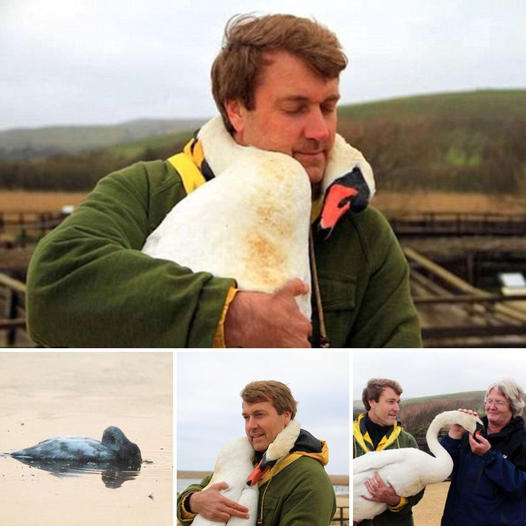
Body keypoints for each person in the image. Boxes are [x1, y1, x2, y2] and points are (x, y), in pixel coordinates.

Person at [26, 13, 421, 348]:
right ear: (236, 111)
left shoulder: (362, 230)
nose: (320, 131)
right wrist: (227, 315)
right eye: (295, 108)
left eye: (328, 106)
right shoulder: (150, 190)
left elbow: (392, 366)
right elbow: (55, 284)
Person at [176, 380, 336, 525]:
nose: (250, 426)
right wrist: (194, 501)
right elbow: (199, 488)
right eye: (246, 417)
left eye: (259, 415)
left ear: (286, 416)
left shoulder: (309, 478)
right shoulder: (246, 458)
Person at [441, 379, 526, 526]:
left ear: (513, 407)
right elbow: (443, 468)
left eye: (499, 402)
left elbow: (521, 487)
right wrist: (453, 437)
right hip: (455, 520)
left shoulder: (521, 441)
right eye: (489, 401)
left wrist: (489, 456)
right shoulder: (471, 430)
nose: (491, 407)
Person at [353, 378, 424, 525]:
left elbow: (419, 489)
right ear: (372, 401)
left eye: (398, 402)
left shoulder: (407, 442)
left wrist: (395, 500)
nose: (397, 408)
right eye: (391, 402)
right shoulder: (350, 438)